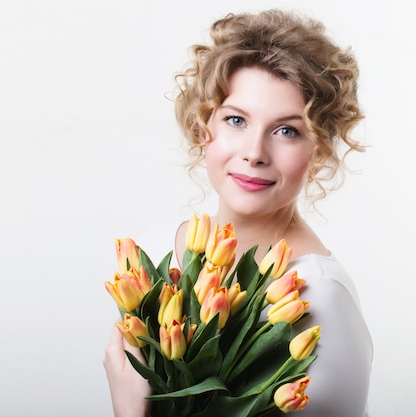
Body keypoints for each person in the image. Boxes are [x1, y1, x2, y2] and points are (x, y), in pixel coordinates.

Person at [104, 9, 372, 417]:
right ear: (201, 129)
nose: (254, 153)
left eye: (287, 130)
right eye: (236, 120)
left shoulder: (318, 296)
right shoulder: (154, 254)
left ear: (318, 151)